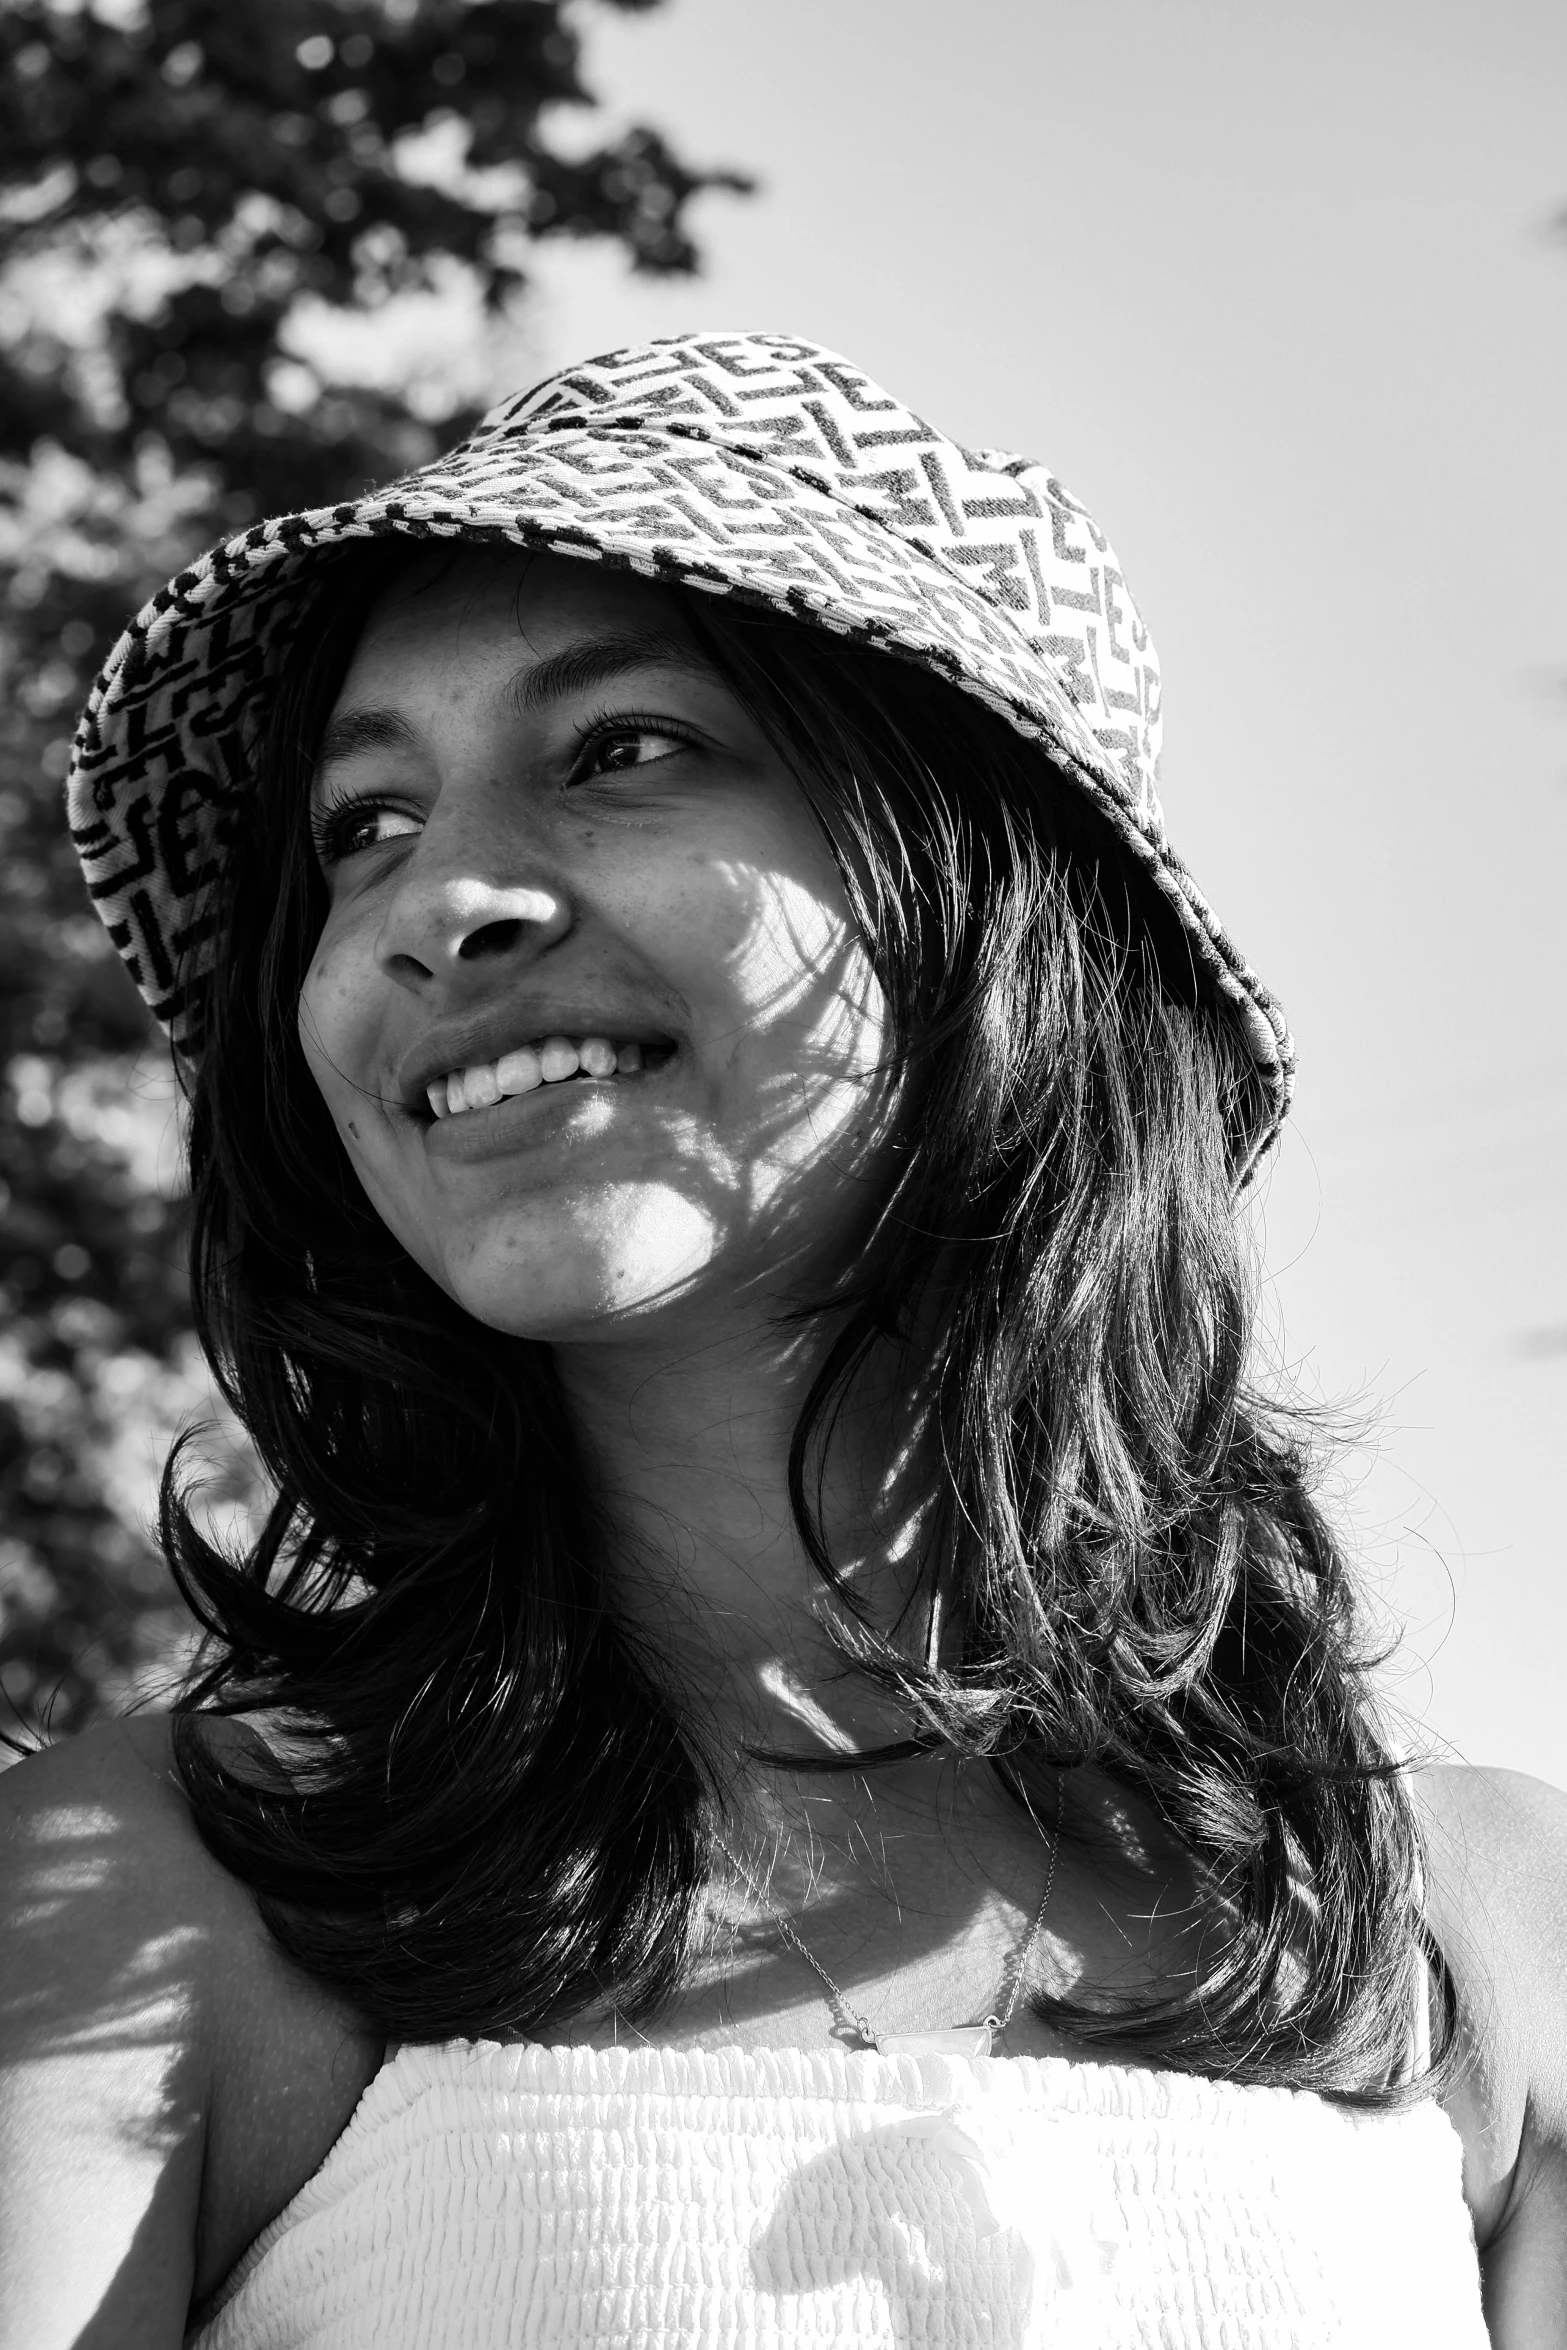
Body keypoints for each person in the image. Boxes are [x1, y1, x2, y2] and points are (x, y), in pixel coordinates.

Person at [1, 334, 1560, 2348]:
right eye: (362, 821)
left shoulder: (1478, 1936)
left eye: (621, 748)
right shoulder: (134, 1906)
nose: (435, 898)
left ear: (991, 898)